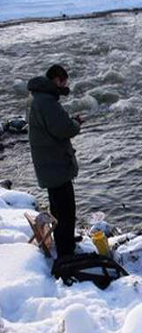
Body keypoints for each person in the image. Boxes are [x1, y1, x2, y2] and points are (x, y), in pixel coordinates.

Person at [27, 64, 83, 258]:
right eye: (64, 82)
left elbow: (54, 125)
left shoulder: (39, 97)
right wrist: (75, 123)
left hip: (48, 163)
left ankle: (64, 239)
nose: (65, 86)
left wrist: (68, 122)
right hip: (55, 164)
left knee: (58, 206)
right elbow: (62, 129)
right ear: (57, 80)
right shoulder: (47, 101)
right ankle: (66, 250)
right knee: (66, 208)